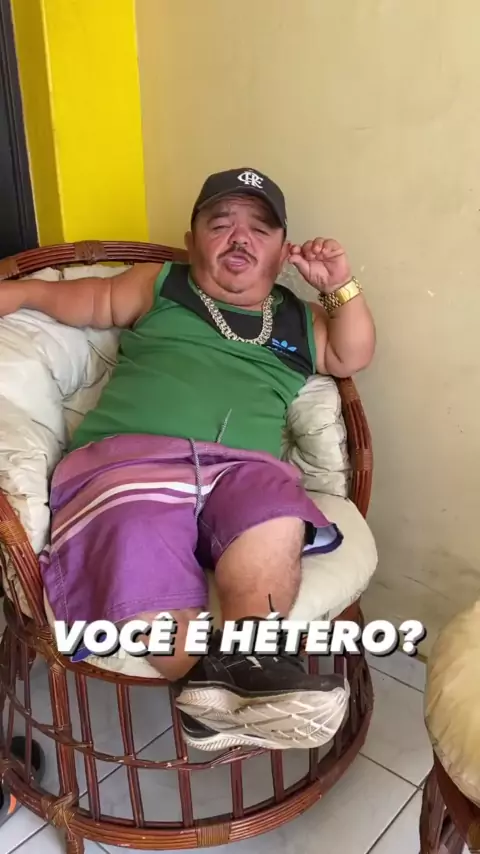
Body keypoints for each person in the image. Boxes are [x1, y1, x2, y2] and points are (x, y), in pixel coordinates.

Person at [0, 168, 375, 752]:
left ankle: (246, 665)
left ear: (283, 251)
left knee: (275, 515)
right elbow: (81, 298)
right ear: (191, 240)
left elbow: (352, 355)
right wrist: (17, 293)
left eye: (259, 229)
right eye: (220, 224)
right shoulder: (162, 284)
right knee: (136, 526)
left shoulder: (300, 319)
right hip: (130, 459)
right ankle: (203, 683)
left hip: (244, 469)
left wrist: (340, 286)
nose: (240, 237)